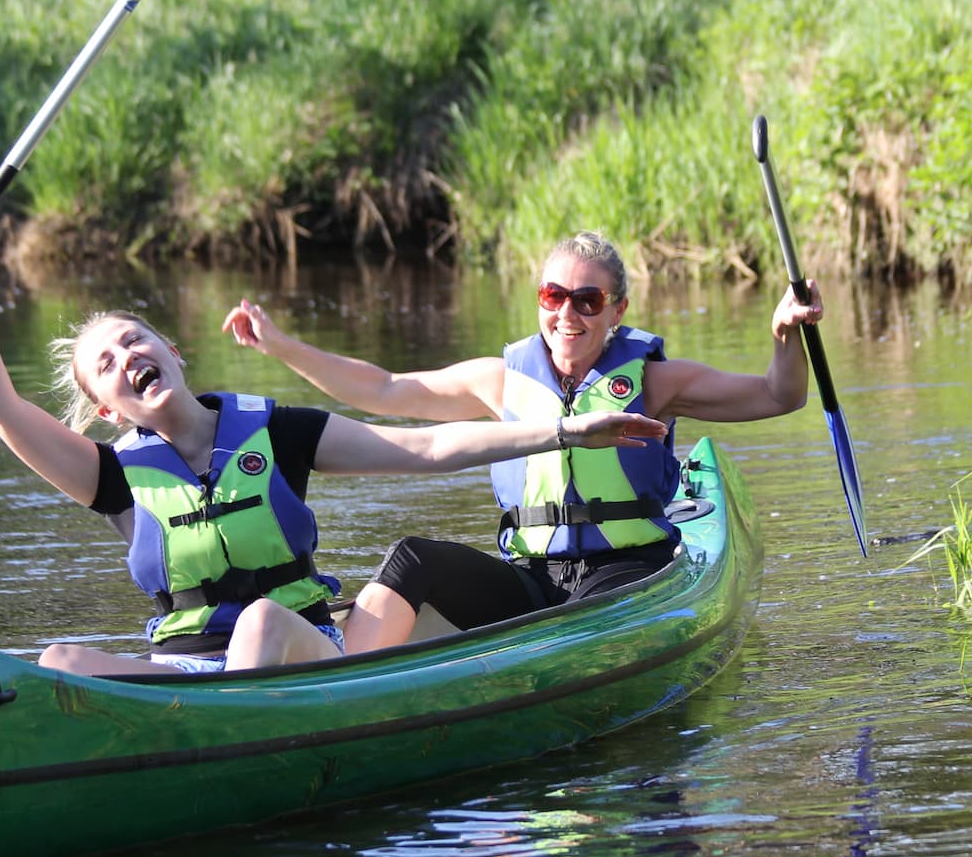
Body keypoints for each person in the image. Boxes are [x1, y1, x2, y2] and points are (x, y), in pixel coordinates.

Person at [0, 220, 667, 677]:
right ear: (102, 406)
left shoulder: (277, 434)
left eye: (134, 341)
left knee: (257, 621)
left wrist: (567, 428)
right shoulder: (112, 477)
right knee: (60, 662)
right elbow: (0, 409)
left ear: (173, 351)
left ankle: (245, 755)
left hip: (296, 665)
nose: (126, 358)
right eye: (106, 365)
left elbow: (429, 446)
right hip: (188, 676)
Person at [223, 230, 823, 648]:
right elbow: (385, 389)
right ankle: (343, 684)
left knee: (585, 620)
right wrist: (281, 346)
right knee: (412, 558)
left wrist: (783, 336)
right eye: (553, 296)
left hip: (627, 570)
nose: (568, 314)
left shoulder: (656, 381)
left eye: (587, 300)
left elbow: (778, 395)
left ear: (617, 310)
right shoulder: (502, 379)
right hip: (533, 577)